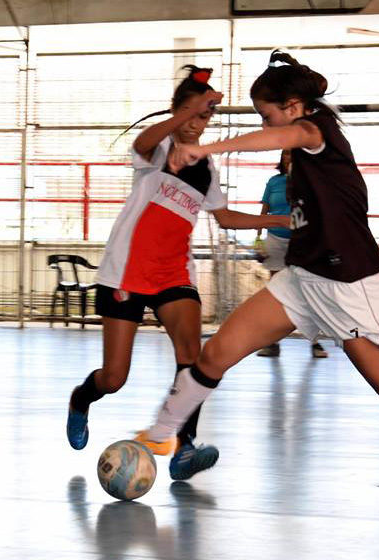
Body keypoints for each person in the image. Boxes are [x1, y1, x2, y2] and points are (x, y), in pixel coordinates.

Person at [134, 51, 379, 507]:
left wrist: (206, 148)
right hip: (303, 277)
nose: (266, 126)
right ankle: (161, 433)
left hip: (347, 284)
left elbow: (284, 135)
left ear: (293, 107)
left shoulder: (316, 131)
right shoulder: (300, 150)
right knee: (216, 352)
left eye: (267, 115)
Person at [66, 65, 289, 481]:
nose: (195, 123)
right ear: (176, 112)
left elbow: (225, 218)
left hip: (174, 275)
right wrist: (185, 112)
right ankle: (81, 399)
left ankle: (185, 447)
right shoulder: (159, 149)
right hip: (126, 273)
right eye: (189, 114)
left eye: (204, 116)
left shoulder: (205, 168)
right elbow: (142, 141)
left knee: (192, 359)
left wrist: (278, 221)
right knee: (113, 377)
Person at [255, 150, 328, 359]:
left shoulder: (310, 181)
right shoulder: (274, 182)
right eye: (286, 154)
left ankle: (315, 342)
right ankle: (272, 343)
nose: (289, 158)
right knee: (275, 293)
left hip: (301, 240)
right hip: (275, 239)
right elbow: (264, 211)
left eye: (293, 154)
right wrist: (258, 239)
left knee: (307, 290)